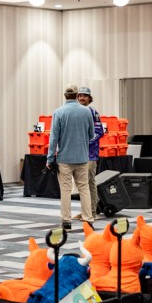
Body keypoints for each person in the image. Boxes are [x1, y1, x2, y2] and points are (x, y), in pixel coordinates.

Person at [47, 84, 96, 230]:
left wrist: (50, 158)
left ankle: (66, 221)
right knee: (84, 188)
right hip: (82, 157)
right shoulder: (86, 112)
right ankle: (88, 220)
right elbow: (92, 135)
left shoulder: (58, 112)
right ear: (77, 95)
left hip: (64, 159)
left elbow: (53, 138)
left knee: (66, 190)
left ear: (64, 95)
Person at [76, 86, 104, 216]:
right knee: (82, 184)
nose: (82, 98)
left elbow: (99, 132)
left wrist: (85, 143)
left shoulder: (93, 112)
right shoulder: (76, 112)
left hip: (90, 154)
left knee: (89, 182)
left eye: (85, 96)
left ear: (89, 98)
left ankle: (92, 211)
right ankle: (85, 211)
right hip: (78, 154)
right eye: (80, 95)